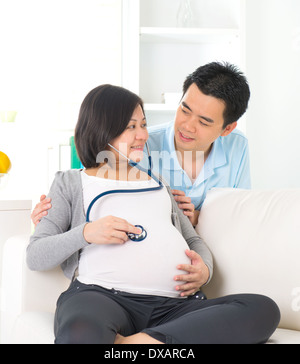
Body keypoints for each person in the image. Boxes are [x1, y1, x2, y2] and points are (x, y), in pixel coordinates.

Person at [27, 84, 280, 344]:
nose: (143, 135)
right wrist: (86, 232)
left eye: (143, 125)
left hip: (172, 307)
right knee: (80, 332)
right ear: (102, 130)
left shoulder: (157, 182)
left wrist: (204, 270)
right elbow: (36, 256)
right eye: (130, 127)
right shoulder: (70, 182)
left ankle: (132, 343)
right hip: (101, 297)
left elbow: (193, 241)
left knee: (262, 309)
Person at [31, 62, 251, 227]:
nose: (187, 126)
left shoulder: (237, 147)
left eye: (203, 122)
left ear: (227, 128)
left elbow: (239, 213)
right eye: (184, 110)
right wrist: (56, 215)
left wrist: (196, 217)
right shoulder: (140, 143)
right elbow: (94, 191)